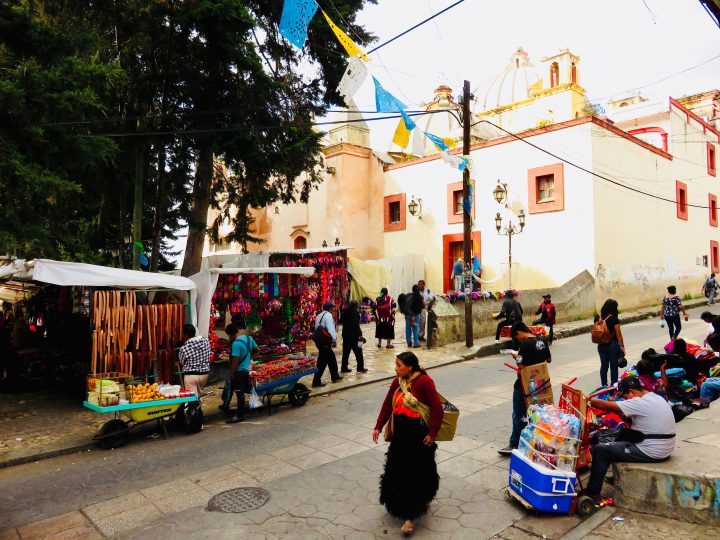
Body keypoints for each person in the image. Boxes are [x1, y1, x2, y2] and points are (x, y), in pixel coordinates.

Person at [372, 352, 442, 535]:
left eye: (399, 365)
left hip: (419, 436)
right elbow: (388, 404)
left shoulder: (425, 382)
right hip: (400, 436)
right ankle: (406, 504)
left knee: (416, 474)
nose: (396, 368)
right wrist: (378, 426)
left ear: (410, 367)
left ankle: (410, 517)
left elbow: (437, 409)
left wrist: (432, 434)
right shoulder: (397, 382)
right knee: (398, 472)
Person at [586, 376, 675, 502]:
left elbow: (606, 406)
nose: (624, 399)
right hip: (663, 445)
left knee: (601, 450)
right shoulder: (655, 397)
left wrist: (588, 400)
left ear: (632, 391)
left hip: (652, 450)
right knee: (609, 436)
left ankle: (592, 493)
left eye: (624, 396)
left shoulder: (639, 402)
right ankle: (612, 476)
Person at [498, 322, 551, 456]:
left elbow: (521, 367)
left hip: (524, 385)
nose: (517, 340)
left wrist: (516, 357)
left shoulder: (525, 344)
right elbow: (548, 359)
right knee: (536, 414)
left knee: (518, 415)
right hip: (540, 385)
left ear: (519, 333)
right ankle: (536, 442)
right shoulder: (542, 340)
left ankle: (515, 444)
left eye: (516, 338)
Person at [225, 322, 258, 424]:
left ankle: (239, 415)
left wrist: (232, 373)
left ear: (230, 334)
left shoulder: (236, 344)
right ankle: (256, 405)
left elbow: (235, 361)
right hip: (247, 370)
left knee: (240, 393)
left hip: (239, 372)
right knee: (248, 389)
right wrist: (249, 356)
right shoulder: (249, 339)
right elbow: (257, 350)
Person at [312, 302, 343, 388]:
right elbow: (330, 328)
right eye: (333, 308)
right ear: (330, 309)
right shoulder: (328, 315)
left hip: (319, 340)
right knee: (322, 361)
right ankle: (316, 381)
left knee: (331, 357)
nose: (334, 310)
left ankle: (335, 375)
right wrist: (334, 340)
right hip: (325, 341)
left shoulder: (319, 315)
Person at [178, 324, 211, 399]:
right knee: (198, 397)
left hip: (191, 376)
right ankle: (198, 410)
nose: (181, 336)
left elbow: (182, 362)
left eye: (182, 334)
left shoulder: (184, 348)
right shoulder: (205, 341)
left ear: (186, 335)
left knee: (192, 400)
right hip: (204, 375)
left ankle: (195, 410)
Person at [596, 299, 625, 386]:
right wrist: (622, 347)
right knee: (614, 366)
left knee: (604, 366)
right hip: (612, 346)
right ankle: (613, 385)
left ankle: (604, 385)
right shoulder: (614, 319)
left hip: (601, 345)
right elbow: (619, 335)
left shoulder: (598, 318)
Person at [339, 300, 367, 373]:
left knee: (346, 352)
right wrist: (360, 335)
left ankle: (344, 367)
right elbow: (356, 325)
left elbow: (341, 320)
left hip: (346, 335)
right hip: (354, 336)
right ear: (356, 306)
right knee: (359, 352)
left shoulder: (345, 311)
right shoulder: (356, 313)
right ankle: (360, 368)